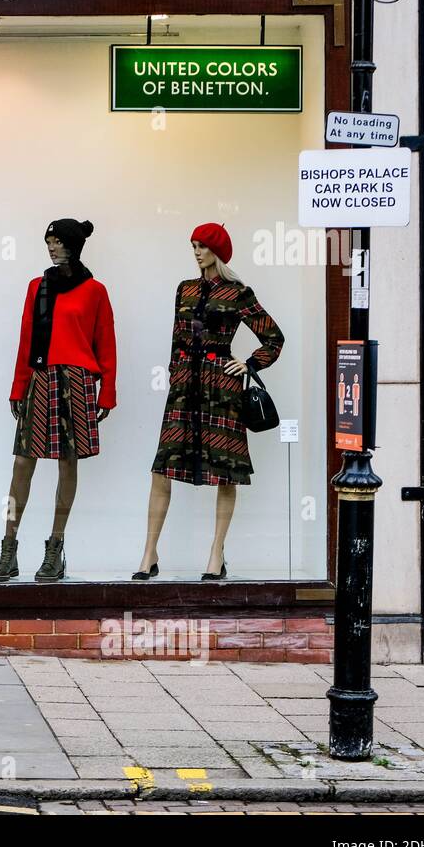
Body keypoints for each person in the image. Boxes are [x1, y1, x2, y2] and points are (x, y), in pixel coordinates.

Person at [132, 223, 284, 581]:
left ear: (218, 251)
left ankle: (216, 554)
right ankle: (149, 553)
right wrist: (175, 373)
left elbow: (273, 338)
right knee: (162, 469)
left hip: (221, 387)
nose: (197, 252)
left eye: (203, 246)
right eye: (194, 246)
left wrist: (248, 365)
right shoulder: (184, 290)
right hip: (185, 388)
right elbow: (175, 339)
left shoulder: (238, 293)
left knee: (226, 473)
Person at [0, 218, 117, 583]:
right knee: (22, 465)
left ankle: (54, 549)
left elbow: (105, 343)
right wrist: (18, 387)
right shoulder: (37, 287)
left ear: (74, 245)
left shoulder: (95, 291)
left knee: (67, 465)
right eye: (48, 241)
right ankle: (8, 547)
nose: (52, 247)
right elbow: (26, 340)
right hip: (41, 379)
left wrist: (106, 390)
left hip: (77, 382)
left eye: (58, 241)